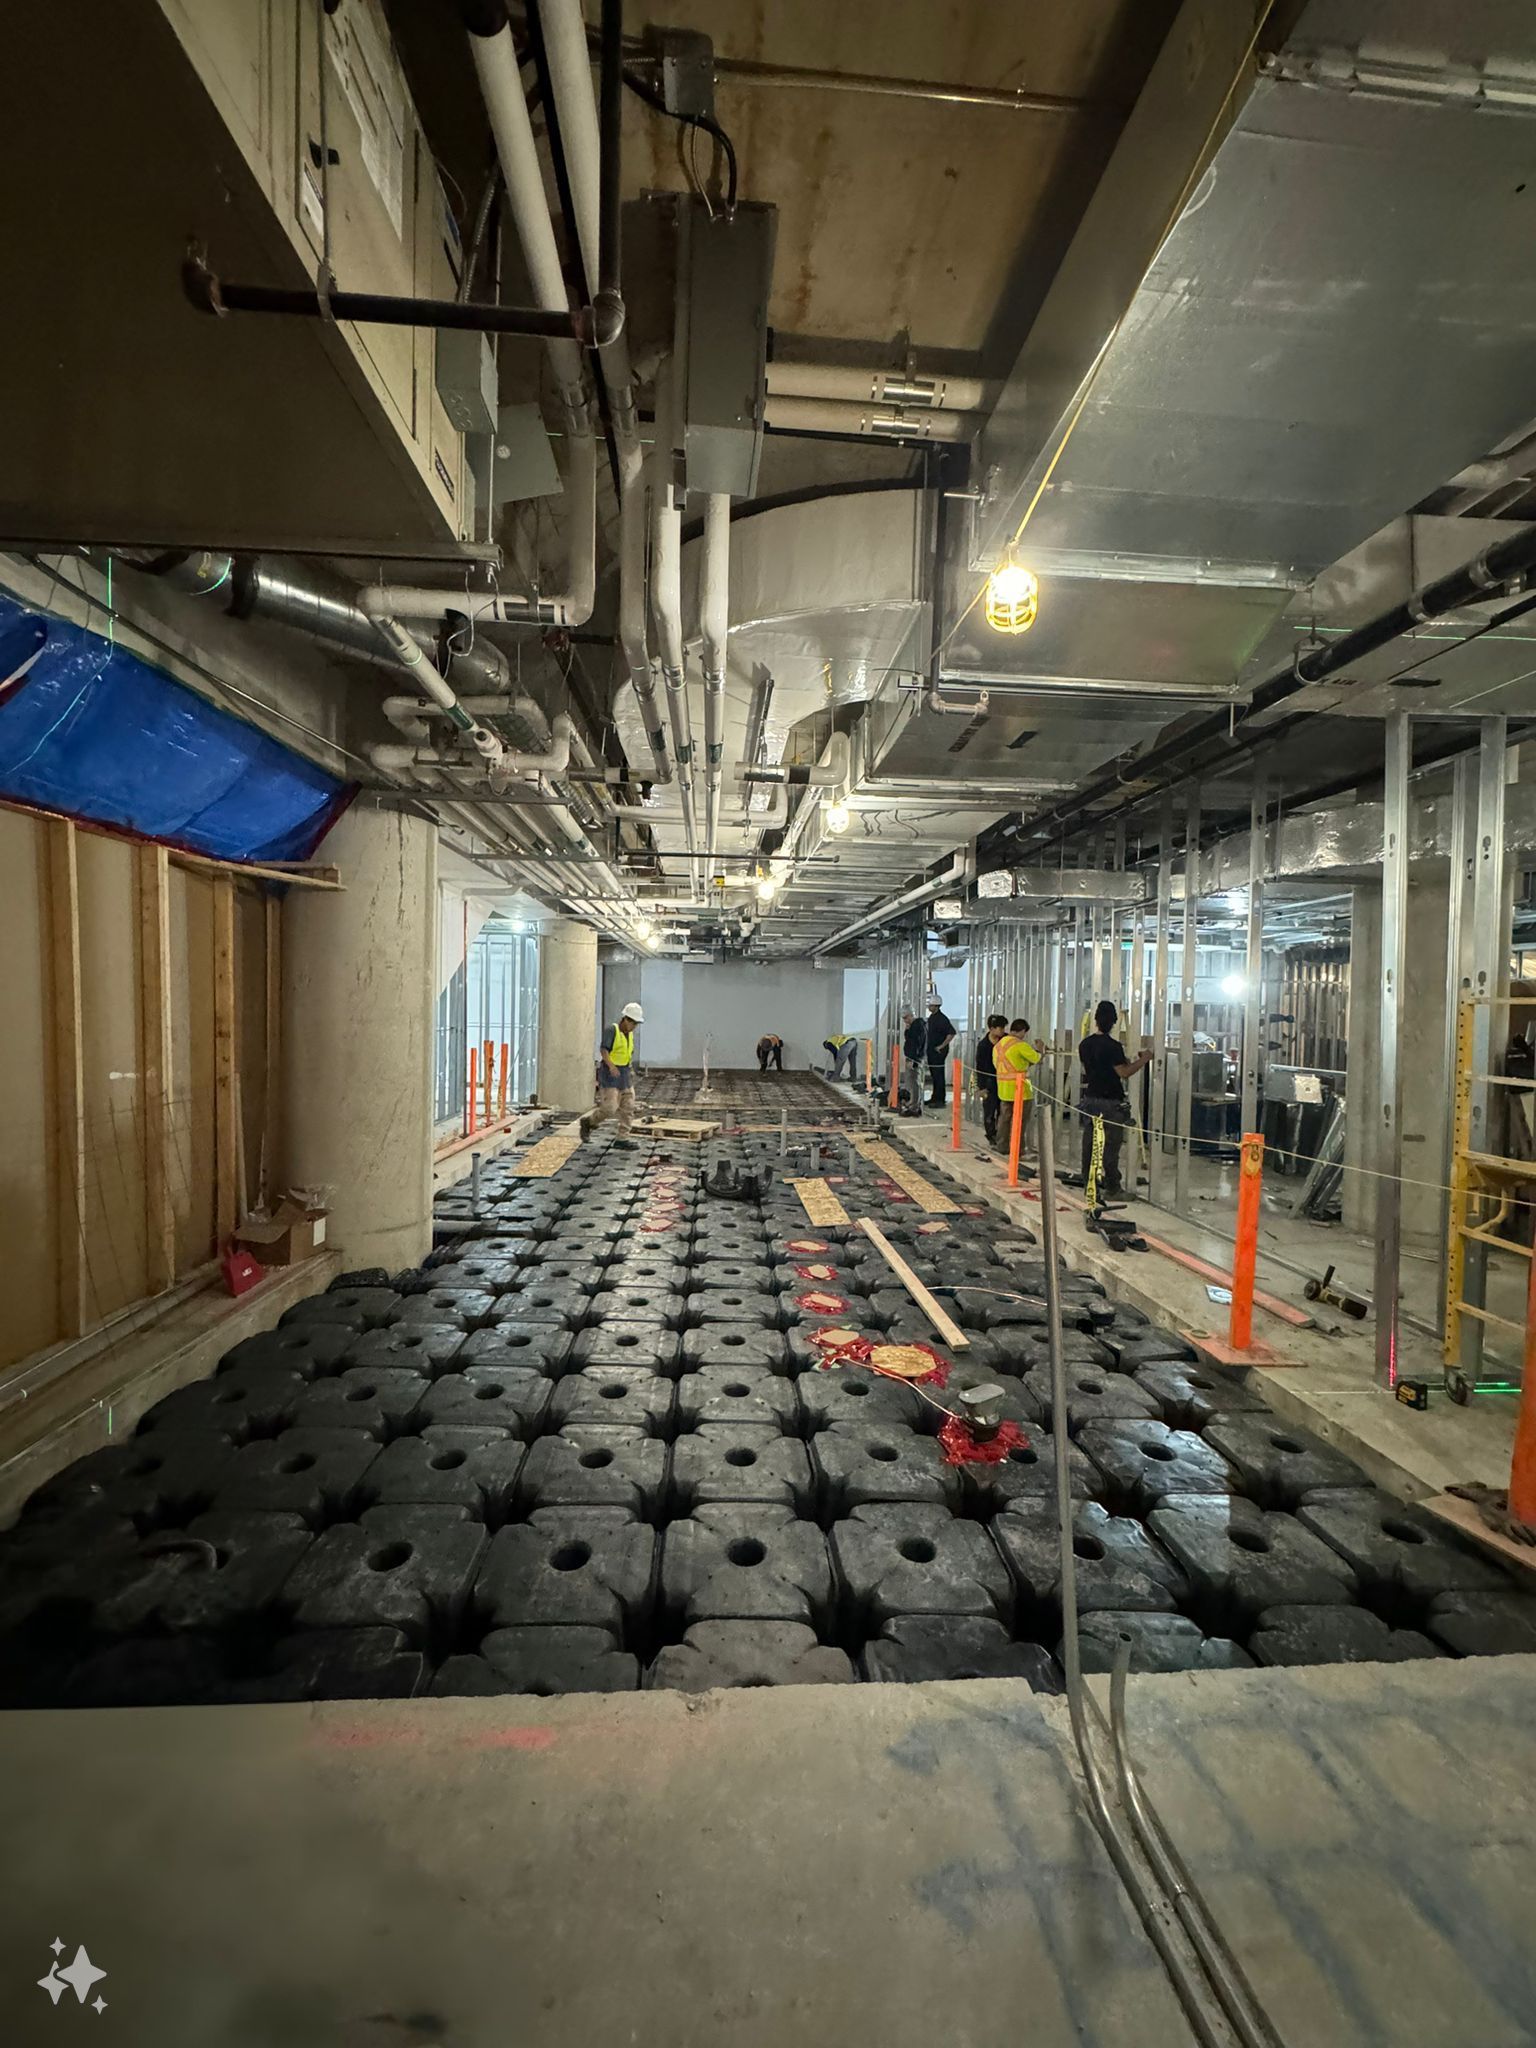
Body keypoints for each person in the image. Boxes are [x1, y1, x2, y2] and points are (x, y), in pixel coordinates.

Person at [1078, 999, 1152, 1200]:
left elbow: (1095, 1069)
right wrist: (1144, 1060)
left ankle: (1089, 1184)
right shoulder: (1113, 1046)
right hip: (1110, 1102)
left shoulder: (1084, 1044)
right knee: (1110, 1147)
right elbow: (1124, 1072)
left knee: (1090, 1145)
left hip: (1090, 1099)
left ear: (1095, 1020)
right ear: (1113, 1022)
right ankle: (1113, 1188)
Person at [585, 1000, 644, 1142]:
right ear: (625, 1019)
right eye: (633, 1023)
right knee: (610, 1108)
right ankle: (589, 1122)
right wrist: (611, 1066)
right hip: (610, 1073)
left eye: (636, 1024)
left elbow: (627, 1053)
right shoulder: (612, 1031)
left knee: (628, 1106)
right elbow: (604, 1050)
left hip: (624, 1074)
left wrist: (629, 1069)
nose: (634, 1027)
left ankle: (623, 1138)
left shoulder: (629, 1035)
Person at [993, 1016, 1044, 1167]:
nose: (1024, 1036)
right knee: (1020, 1122)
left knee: (1004, 1119)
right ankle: (1019, 1151)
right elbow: (1037, 1059)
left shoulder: (999, 1045)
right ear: (1021, 1031)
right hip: (1020, 1090)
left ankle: (1002, 1146)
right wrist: (1041, 1049)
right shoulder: (1021, 1045)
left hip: (1003, 1088)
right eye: (1024, 1033)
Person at [974, 1014, 1007, 1144]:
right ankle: (991, 1135)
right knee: (989, 1111)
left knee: (1003, 1111)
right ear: (992, 1029)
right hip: (989, 1082)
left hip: (1004, 1081)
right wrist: (981, 1088)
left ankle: (1001, 1136)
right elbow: (980, 1067)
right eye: (1000, 1028)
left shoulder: (1007, 1040)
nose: (1003, 1031)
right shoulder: (983, 1046)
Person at [925, 995, 955, 1107]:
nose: (929, 1007)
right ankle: (934, 1097)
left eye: (931, 1005)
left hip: (938, 1052)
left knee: (938, 1075)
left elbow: (951, 1033)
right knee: (934, 1075)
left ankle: (940, 1100)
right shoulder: (932, 1017)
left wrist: (941, 1046)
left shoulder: (942, 1019)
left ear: (936, 1006)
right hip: (932, 1050)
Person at [900, 1009, 927, 1114]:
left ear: (911, 1015)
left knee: (915, 1082)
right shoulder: (914, 1026)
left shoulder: (917, 1027)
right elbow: (909, 1040)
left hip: (915, 1058)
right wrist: (907, 1030)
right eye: (903, 1019)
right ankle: (913, 1102)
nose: (905, 1021)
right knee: (912, 1081)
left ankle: (915, 1106)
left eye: (906, 1018)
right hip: (914, 1057)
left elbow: (915, 1044)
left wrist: (912, 1059)